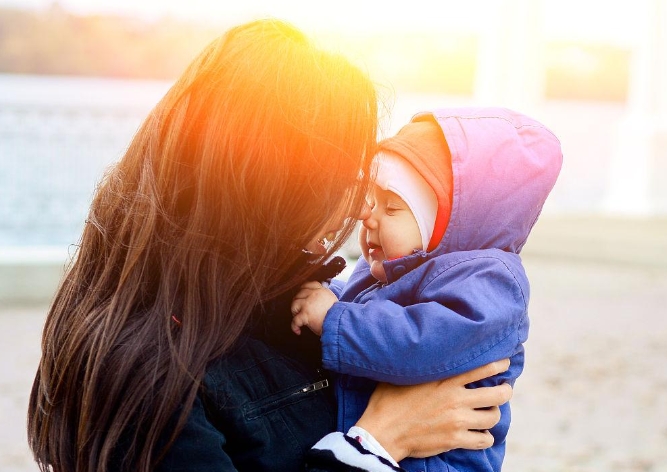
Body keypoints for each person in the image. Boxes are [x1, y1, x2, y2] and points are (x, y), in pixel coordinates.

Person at [26, 21, 513, 472]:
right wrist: (380, 440)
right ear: (273, 185)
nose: (357, 201)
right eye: (344, 173)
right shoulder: (142, 375)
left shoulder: (303, 298)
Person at [291, 107, 563, 471]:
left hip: (439, 461)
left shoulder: (490, 282)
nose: (368, 218)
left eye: (392, 208)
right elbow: (367, 307)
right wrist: (328, 294)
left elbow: (418, 345)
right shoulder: (392, 267)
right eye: (373, 200)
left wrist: (332, 319)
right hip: (392, 447)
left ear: (448, 223)